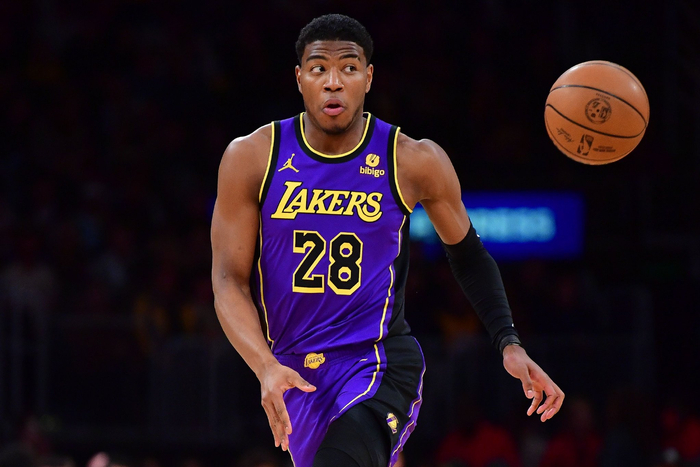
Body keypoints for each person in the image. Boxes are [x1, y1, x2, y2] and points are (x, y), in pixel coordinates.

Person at [211, 13, 564, 467]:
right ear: (299, 79)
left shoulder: (413, 160)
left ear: (369, 77)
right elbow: (228, 280)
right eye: (319, 69)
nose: (334, 82)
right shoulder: (253, 158)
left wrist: (509, 342)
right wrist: (264, 365)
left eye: (349, 68)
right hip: (293, 369)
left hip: (377, 362)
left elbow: (469, 255)